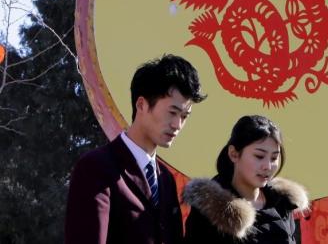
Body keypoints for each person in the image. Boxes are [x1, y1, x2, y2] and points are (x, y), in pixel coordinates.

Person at [65, 54, 206, 244]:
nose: (177, 124)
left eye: (184, 116)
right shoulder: (96, 168)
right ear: (142, 105)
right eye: (172, 112)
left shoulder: (166, 179)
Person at [183, 115, 309, 243]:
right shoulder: (211, 209)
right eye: (259, 156)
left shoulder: (282, 202)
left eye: (274, 158)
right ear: (234, 154)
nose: (268, 166)